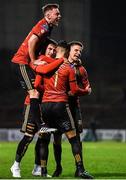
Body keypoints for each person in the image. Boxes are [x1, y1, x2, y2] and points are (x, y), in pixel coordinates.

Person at [38, 40, 93, 178]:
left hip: (72, 107)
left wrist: (81, 92)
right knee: (57, 138)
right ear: (69, 51)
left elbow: (87, 88)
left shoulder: (81, 69)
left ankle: (79, 168)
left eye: (80, 51)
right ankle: (58, 167)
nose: (78, 53)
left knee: (76, 138)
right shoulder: (60, 65)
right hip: (61, 105)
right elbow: (80, 90)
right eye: (76, 50)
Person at [10, 39, 64, 178]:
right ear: (44, 50)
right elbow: (46, 69)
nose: (52, 52)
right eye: (50, 49)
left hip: (44, 105)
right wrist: (64, 59)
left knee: (43, 138)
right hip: (31, 104)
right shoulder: (41, 59)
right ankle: (15, 165)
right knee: (28, 136)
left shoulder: (51, 63)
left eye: (54, 50)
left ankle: (37, 168)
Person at [11, 4, 61, 133]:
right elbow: (31, 41)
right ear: (48, 15)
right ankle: (40, 125)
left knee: (35, 91)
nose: (59, 16)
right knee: (34, 92)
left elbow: (41, 43)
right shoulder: (43, 25)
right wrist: (34, 60)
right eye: (57, 14)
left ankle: (38, 123)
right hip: (21, 62)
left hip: (25, 63)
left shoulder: (48, 28)